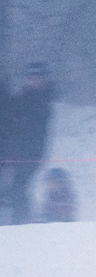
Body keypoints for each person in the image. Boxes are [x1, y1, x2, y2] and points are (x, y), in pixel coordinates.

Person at [1, 63, 56, 225]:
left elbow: (32, 132)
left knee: (18, 191)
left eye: (37, 78)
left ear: (44, 79)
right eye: (31, 78)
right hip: (11, 155)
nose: (34, 81)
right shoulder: (23, 99)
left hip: (27, 157)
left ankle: (21, 226)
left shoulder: (42, 103)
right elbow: (6, 113)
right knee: (13, 192)